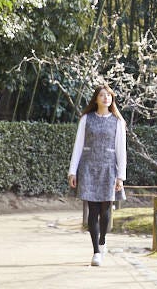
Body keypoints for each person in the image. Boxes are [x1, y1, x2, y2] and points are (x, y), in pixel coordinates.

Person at [68, 84, 127, 267]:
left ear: (112, 99)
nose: (105, 98)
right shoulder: (86, 119)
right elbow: (78, 145)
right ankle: (96, 251)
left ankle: (103, 240)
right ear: (96, 99)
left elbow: (121, 150)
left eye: (108, 95)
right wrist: (72, 171)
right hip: (88, 168)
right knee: (92, 210)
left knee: (106, 209)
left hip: (109, 168)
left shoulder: (118, 122)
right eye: (102, 95)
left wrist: (121, 176)